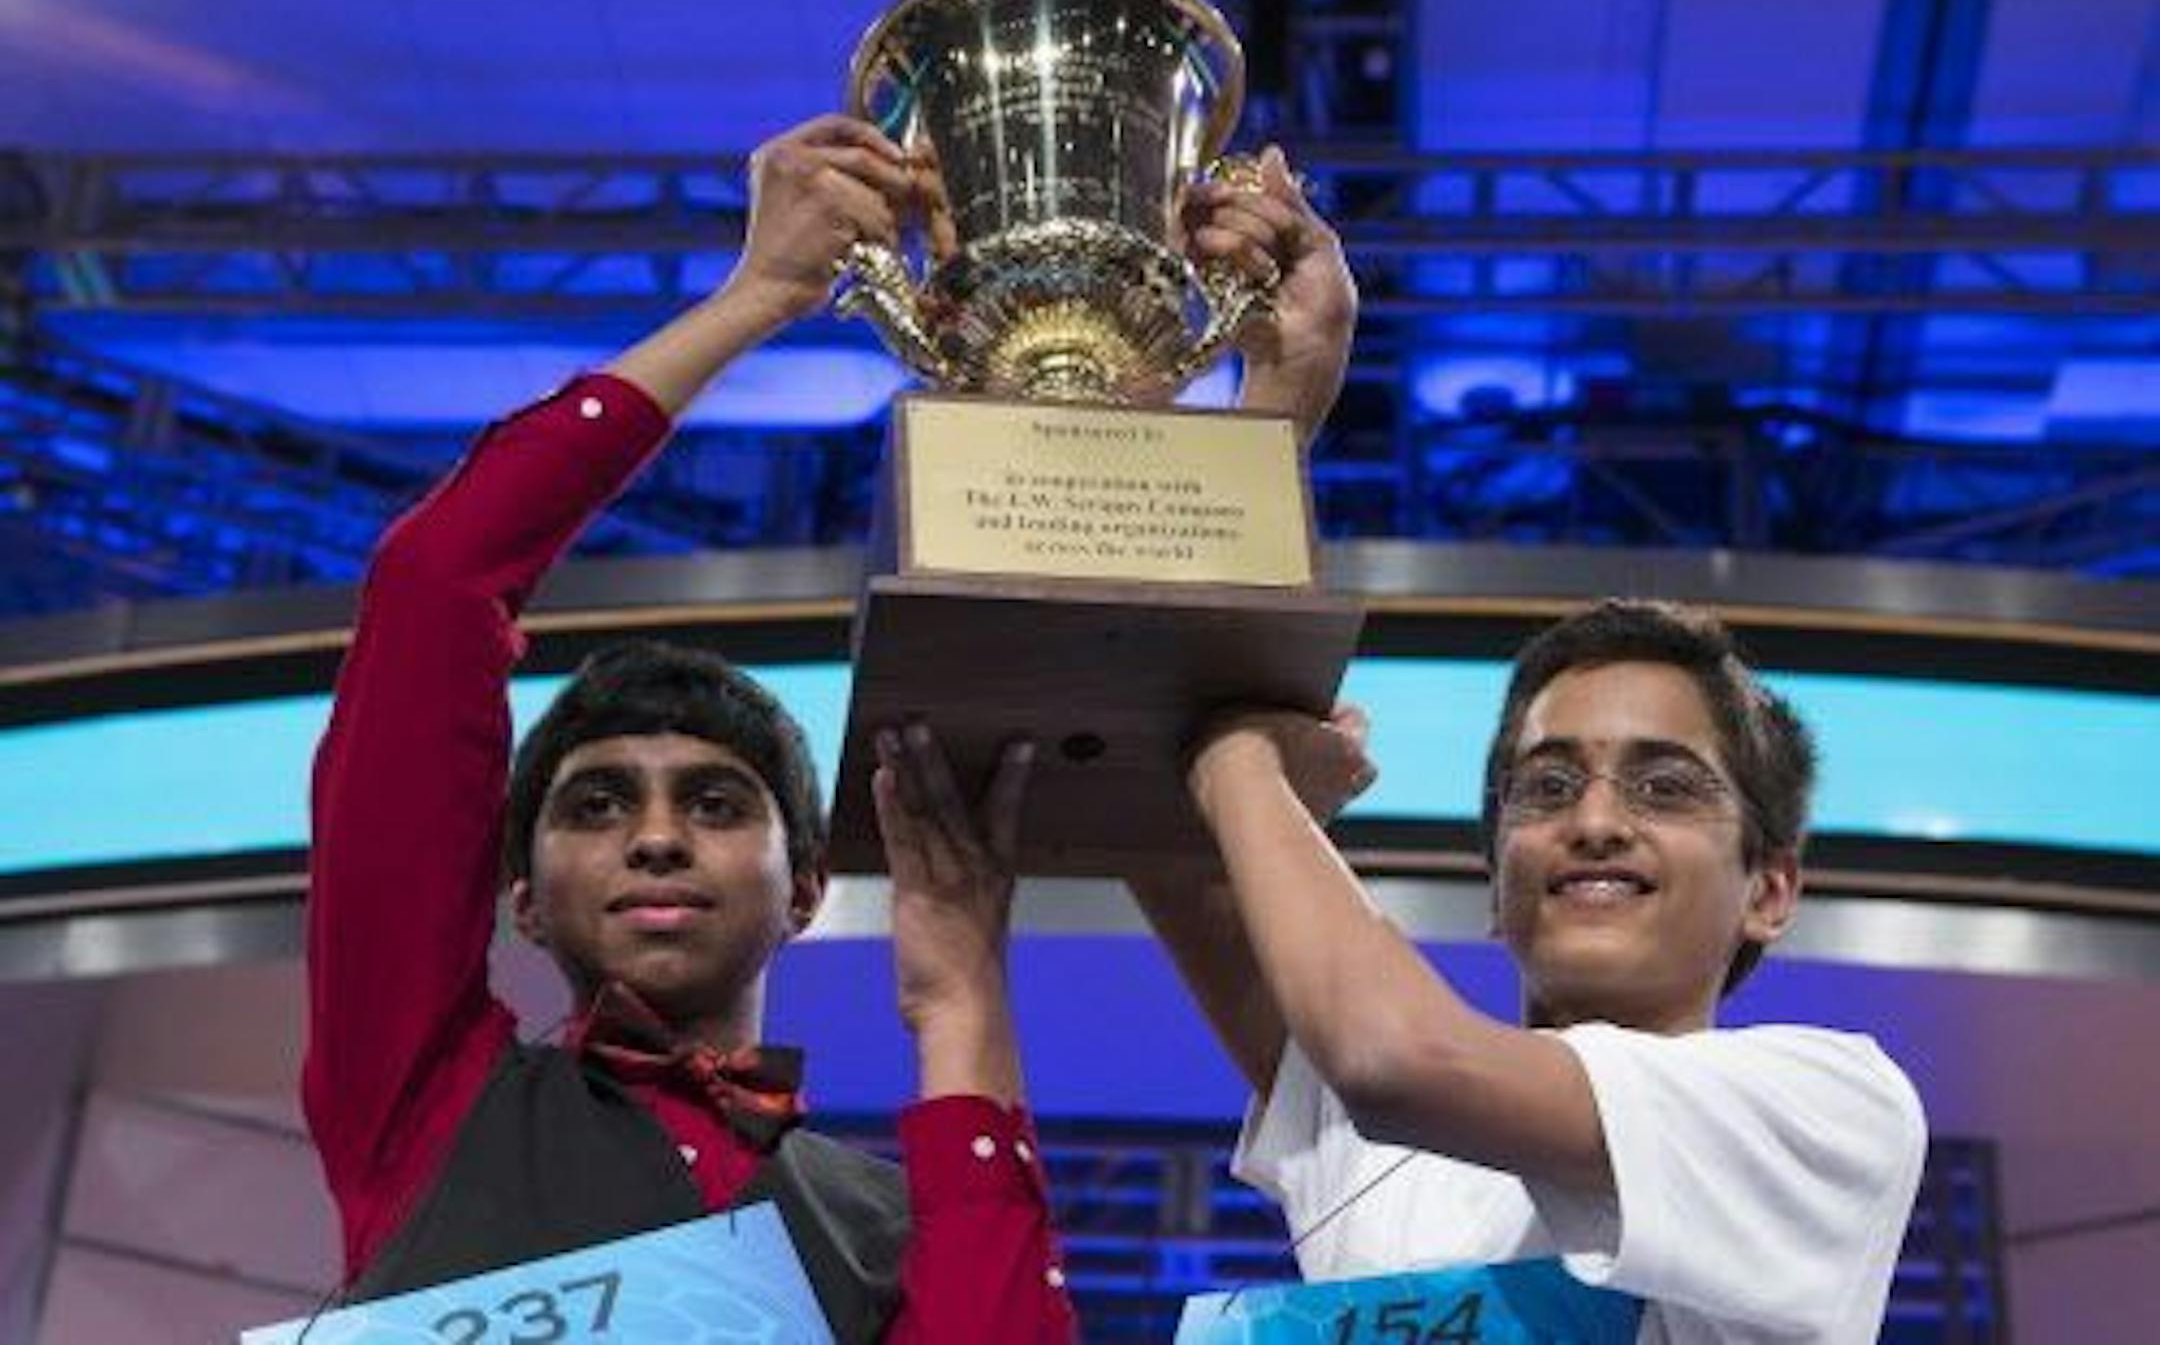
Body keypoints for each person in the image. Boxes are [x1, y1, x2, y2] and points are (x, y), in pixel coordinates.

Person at [301, 115, 1085, 1342]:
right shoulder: (425, 1101)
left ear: (806, 888)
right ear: (521, 897)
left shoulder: (884, 1223)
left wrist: (960, 998)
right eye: (596, 803)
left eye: (716, 803)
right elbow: (432, 590)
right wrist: (757, 296)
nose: (656, 836)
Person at [1132, 600, 1929, 1341]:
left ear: (1769, 891)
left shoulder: (1834, 1107)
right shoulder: (1388, 1148)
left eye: (1665, 787)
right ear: (1496, 882)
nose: (1595, 822)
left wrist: (1244, 760)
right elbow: (1161, 842)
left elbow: (1392, 1057)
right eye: (1548, 787)